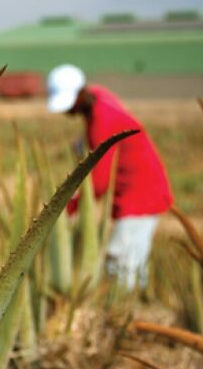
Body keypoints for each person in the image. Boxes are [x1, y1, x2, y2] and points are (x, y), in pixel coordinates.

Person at [47, 64, 173, 290]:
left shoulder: (102, 121)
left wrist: (70, 205)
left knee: (122, 263)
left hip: (140, 197)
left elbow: (99, 182)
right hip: (138, 192)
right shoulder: (98, 97)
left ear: (81, 94)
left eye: (70, 104)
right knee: (128, 261)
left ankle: (128, 306)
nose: (67, 112)